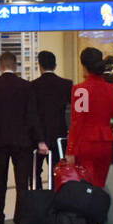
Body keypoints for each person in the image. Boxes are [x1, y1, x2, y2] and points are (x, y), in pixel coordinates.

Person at [0, 51, 48, 224]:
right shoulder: (26, 86)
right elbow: (32, 115)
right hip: (22, 142)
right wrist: (40, 140)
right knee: (21, 183)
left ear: (1, 65)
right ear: (15, 65)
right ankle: (20, 219)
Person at [66, 47, 113, 188]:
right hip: (105, 145)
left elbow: (77, 122)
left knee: (86, 188)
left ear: (83, 66)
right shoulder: (112, 90)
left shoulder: (81, 90)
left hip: (85, 144)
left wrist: (70, 150)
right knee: (99, 186)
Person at [31, 50, 73, 185]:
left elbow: (31, 113)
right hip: (59, 134)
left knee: (34, 171)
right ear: (55, 66)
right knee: (57, 171)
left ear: (40, 66)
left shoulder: (32, 86)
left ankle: (38, 198)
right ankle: (56, 198)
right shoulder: (66, 84)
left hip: (37, 136)